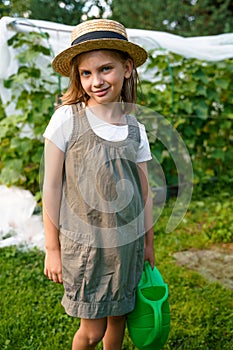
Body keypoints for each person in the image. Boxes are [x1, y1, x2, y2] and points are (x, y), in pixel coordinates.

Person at [42, 18, 155, 350]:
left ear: (127, 68)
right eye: (86, 74)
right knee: (91, 331)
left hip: (127, 247)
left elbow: (144, 194)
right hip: (86, 248)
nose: (96, 81)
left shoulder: (136, 129)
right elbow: (51, 187)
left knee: (118, 321)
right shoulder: (67, 118)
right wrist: (52, 248)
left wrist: (148, 243)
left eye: (105, 69)